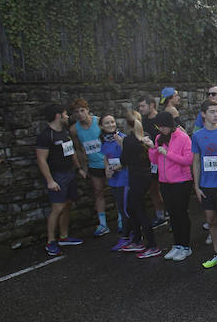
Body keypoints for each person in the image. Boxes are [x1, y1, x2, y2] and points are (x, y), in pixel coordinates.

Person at [35, 104, 86, 255]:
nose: (67, 117)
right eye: (65, 114)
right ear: (58, 115)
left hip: (69, 173)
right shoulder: (46, 136)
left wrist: (78, 169)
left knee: (67, 204)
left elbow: (71, 152)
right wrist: (50, 180)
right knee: (57, 208)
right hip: (57, 176)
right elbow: (41, 160)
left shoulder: (65, 132)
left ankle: (64, 236)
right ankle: (51, 241)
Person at [192, 99, 217, 270]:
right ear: (203, 114)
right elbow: (196, 162)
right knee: (211, 220)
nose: (216, 114)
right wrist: (196, 185)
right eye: (212, 111)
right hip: (206, 185)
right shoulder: (197, 135)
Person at [149, 111, 194, 261]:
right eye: (159, 127)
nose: (161, 129)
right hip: (164, 181)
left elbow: (188, 160)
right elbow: (154, 160)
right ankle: (177, 244)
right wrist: (152, 147)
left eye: (163, 126)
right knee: (172, 214)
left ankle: (186, 246)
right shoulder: (159, 138)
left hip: (181, 182)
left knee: (181, 213)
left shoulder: (183, 137)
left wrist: (168, 153)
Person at [119, 111, 162, 258]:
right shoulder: (147, 136)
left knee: (139, 210)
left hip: (136, 177)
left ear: (126, 124)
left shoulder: (128, 140)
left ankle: (152, 245)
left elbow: (124, 161)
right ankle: (137, 239)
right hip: (146, 175)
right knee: (132, 208)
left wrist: (120, 144)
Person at [66, 99, 108, 237]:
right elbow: (78, 149)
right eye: (76, 112)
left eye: (82, 110)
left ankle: (122, 219)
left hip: (108, 163)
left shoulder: (99, 122)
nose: (80, 114)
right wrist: (82, 167)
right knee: (98, 192)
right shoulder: (74, 129)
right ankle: (103, 224)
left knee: (117, 191)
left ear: (88, 110)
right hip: (93, 165)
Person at [99, 115, 130, 250]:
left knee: (126, 209)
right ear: (101, 126)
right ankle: (128, 235)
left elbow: (127, 156)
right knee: (120, 207)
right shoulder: (103, 139)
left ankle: (128, 236)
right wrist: (107, 168)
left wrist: (121, 144)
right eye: (107, 123)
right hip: (113, 178)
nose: (111, 124)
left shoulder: (121, 137)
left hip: (124, 177)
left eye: (112, 122)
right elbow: (106, 156)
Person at [137, 96, 167, 227]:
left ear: (152, 105)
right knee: (153, 189)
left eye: (143, 106)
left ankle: (172, 213)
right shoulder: (141, 122)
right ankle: (160, 216)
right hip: (150, 160)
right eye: (139, 107)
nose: (140, 109)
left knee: (166, 189)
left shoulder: (162, 118)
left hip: (165, 159)